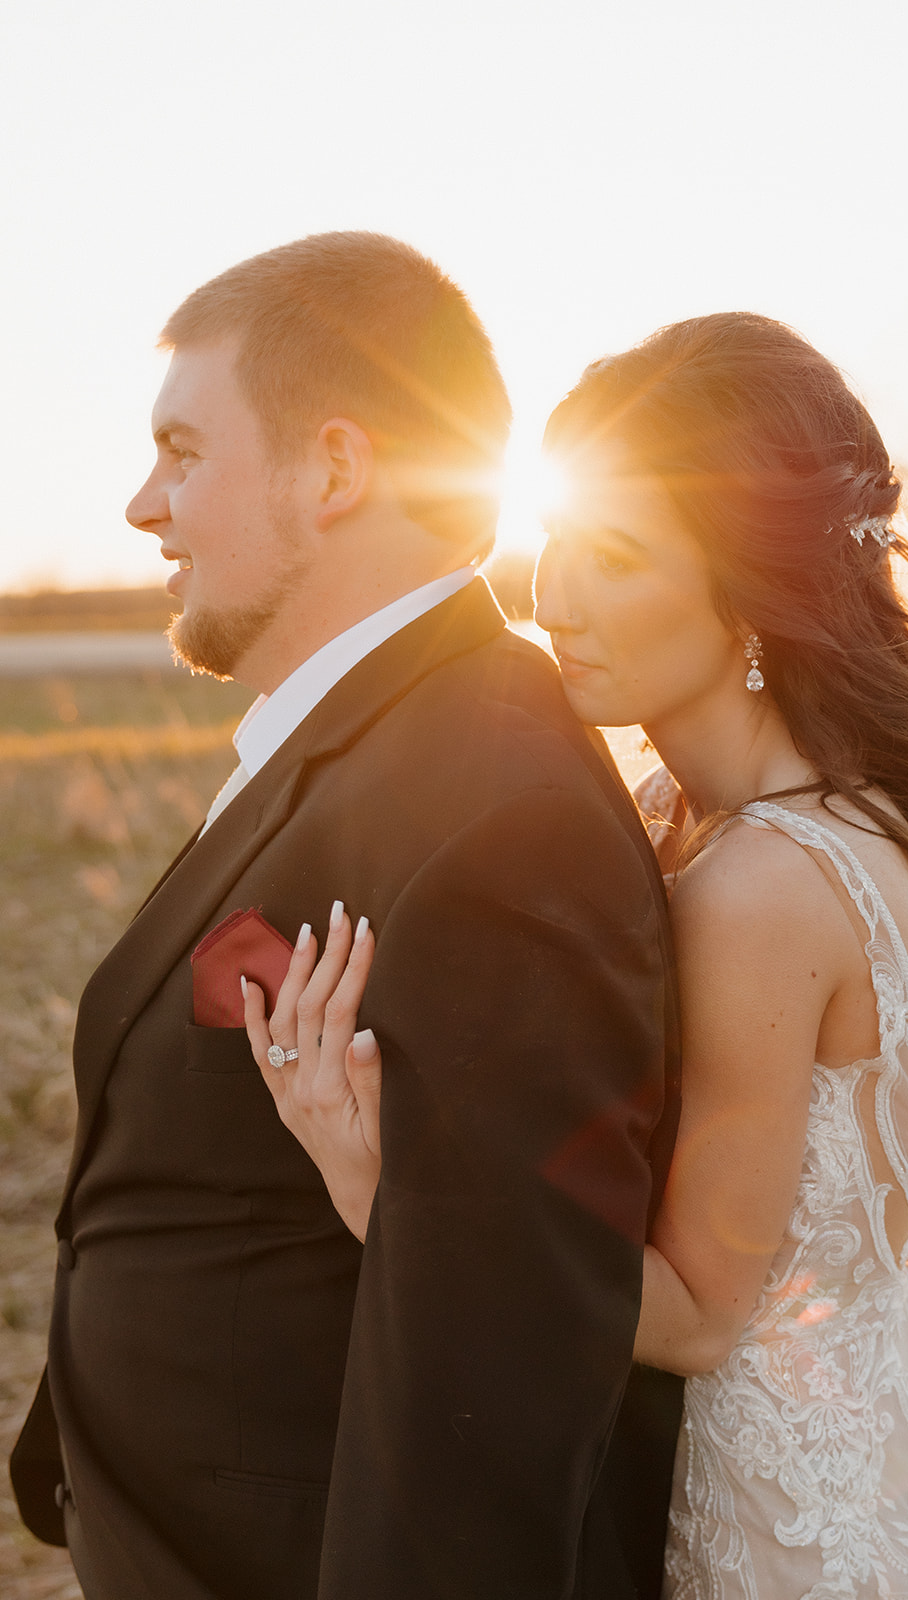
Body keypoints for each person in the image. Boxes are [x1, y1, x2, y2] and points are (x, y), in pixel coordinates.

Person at [257, 313, 908, 1598]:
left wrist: (389, 1193)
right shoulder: (697, 813)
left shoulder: (768, 887)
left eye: (614, 554)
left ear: (750, 595)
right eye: (557, 535)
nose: (547, 597)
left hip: (783, 1540)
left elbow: (699, 1312)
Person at [10, 232, 685, 1600]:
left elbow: (501, 1366)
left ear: (334, 467)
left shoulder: (496, 805)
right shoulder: (368, 737)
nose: (146, 504)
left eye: (185, 452)